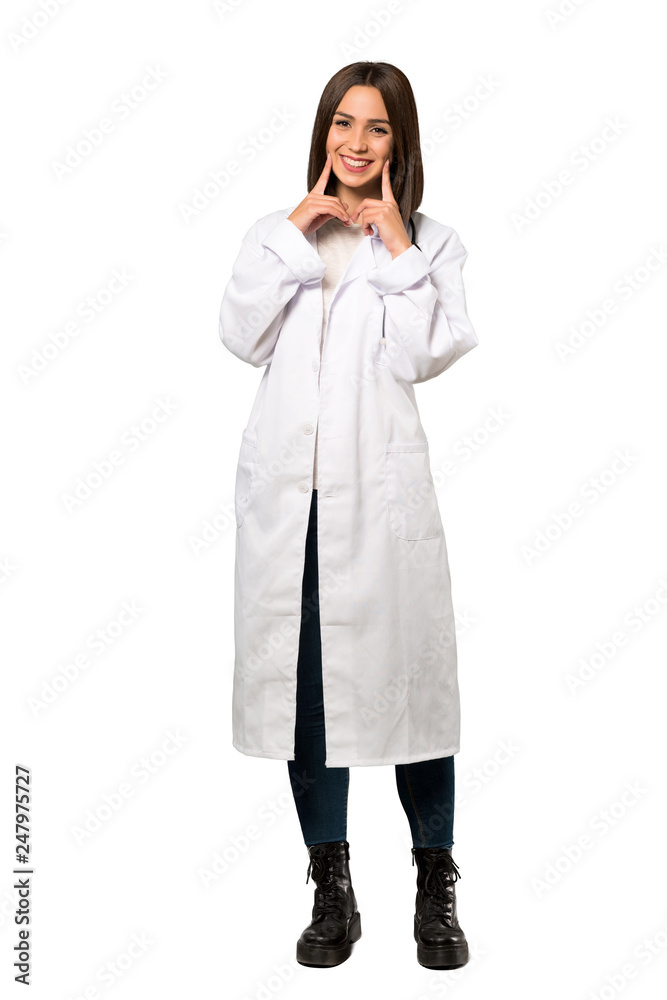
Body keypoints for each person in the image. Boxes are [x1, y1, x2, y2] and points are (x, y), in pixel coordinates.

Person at [218, 61, 479, 970]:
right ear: (322, 131)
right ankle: (331, 886)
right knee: (308, 698)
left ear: (399, 142)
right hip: (294, 509)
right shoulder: (276, 236)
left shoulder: (432, 247)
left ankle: (433, 885)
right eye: (341, 123)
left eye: (375, 128)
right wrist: (297, 228)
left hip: (382, 507)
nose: (355, 144)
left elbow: (424, 352)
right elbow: (239, 333)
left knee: (410, 692)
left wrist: (397, 244)